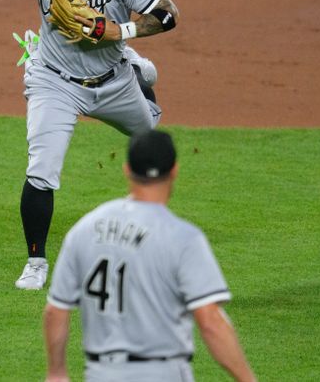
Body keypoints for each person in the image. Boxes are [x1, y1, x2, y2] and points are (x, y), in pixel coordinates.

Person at [0, 0, 180, 290]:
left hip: (113, 80)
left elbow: (169, 14)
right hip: (54, 81)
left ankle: (136, 71)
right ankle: (36, 262)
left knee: (150, 141)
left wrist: (120, 31)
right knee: (42, 169)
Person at [43, 130, 256, 382]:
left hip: (101, 374)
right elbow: (209, 320)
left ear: (126, 169)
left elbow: (56, 310)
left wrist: (56, 372)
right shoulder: (183, 238)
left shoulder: (85, 228)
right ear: (175, 170)